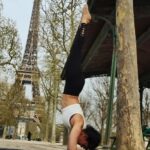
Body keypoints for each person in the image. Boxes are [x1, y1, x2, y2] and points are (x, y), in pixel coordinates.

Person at [61, 4, 101, 150]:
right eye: (84, 145)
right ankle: (85, 20)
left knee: (75, 51)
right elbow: (71, 146)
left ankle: (84, 20)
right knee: (76, 50)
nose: (81, 146)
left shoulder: (78, 125)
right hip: (73, 85)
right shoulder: (78, 124)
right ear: (85, 136)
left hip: (74, 86)